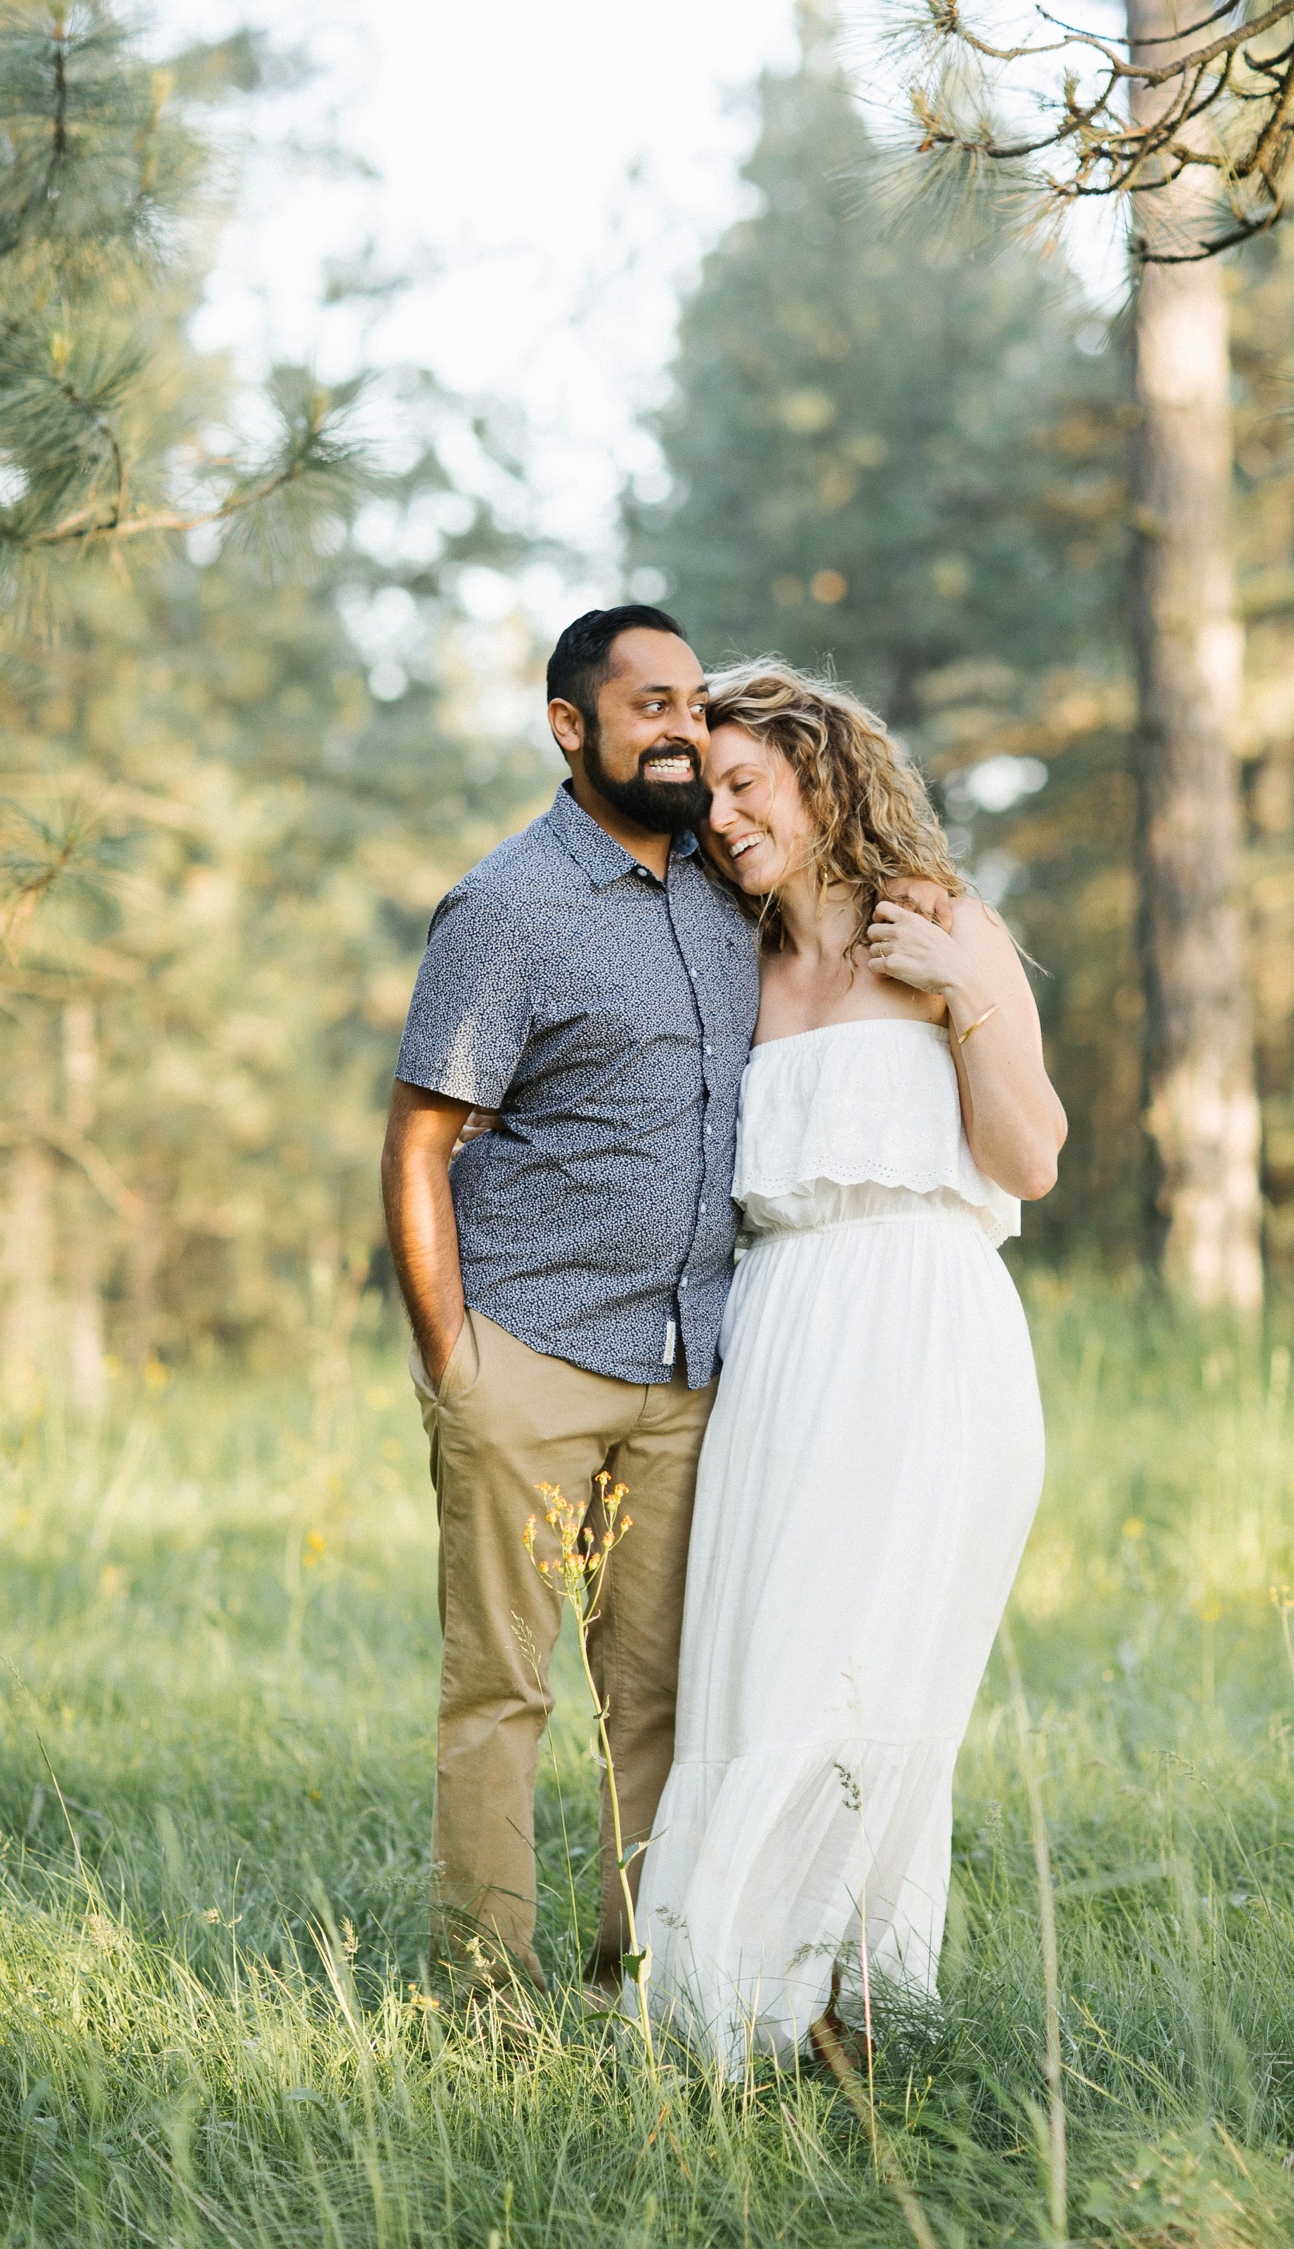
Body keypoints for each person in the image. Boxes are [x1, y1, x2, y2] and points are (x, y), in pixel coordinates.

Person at [381, 606, 947, 2010]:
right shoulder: (504, 908)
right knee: (500, 1695)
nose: (681, 729)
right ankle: (486, 2001)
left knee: (666, 1704)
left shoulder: (725, 883)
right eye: (646, 704)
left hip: (698, 1370)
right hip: (529, 1353)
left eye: (691, 702)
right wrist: (457, 1361)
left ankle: (644, 1968)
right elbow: (417, 1144)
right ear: (570, 726)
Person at [633, 660, 1066, 2071]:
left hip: (930, 1321)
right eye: (710, 799)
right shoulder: (737, 963)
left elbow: (1030, 1159)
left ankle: (860, 2000)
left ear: (824, 775)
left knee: (874, 1668)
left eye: (749, 784)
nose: (728, 818)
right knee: (762, 1667)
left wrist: (962, 999)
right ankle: (726, 2009)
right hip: (784, 1328)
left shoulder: (946, 923)